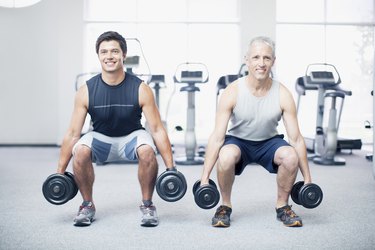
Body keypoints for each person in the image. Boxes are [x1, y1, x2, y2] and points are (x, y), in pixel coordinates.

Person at [56, 31, 175, 227]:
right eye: (104, 52)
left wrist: (171, 168)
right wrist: (59, 173)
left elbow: (157, 130)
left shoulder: (141, 88)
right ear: (98, 56)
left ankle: (147, 204)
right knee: (80, 150)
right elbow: (72, 134)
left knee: (147, 150)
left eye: (114, 51)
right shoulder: (86, 91)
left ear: (124, 55)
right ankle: (87, 205)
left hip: (132, 137)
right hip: (100, 138)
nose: (109, 56)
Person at [200, 36, 312, 228]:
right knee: (225, 155)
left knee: (290, 156)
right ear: (247, 60)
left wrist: (308, 180)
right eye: (256, 58)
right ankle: (225, 206)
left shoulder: (283, 93)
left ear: (273, 62)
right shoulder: (232, 91)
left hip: (269, 142)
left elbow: (296, 139)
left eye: (267, 58)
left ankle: (282, 207)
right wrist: (204, 179)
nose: (261, 63)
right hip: (238, 141)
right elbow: (217, 137)